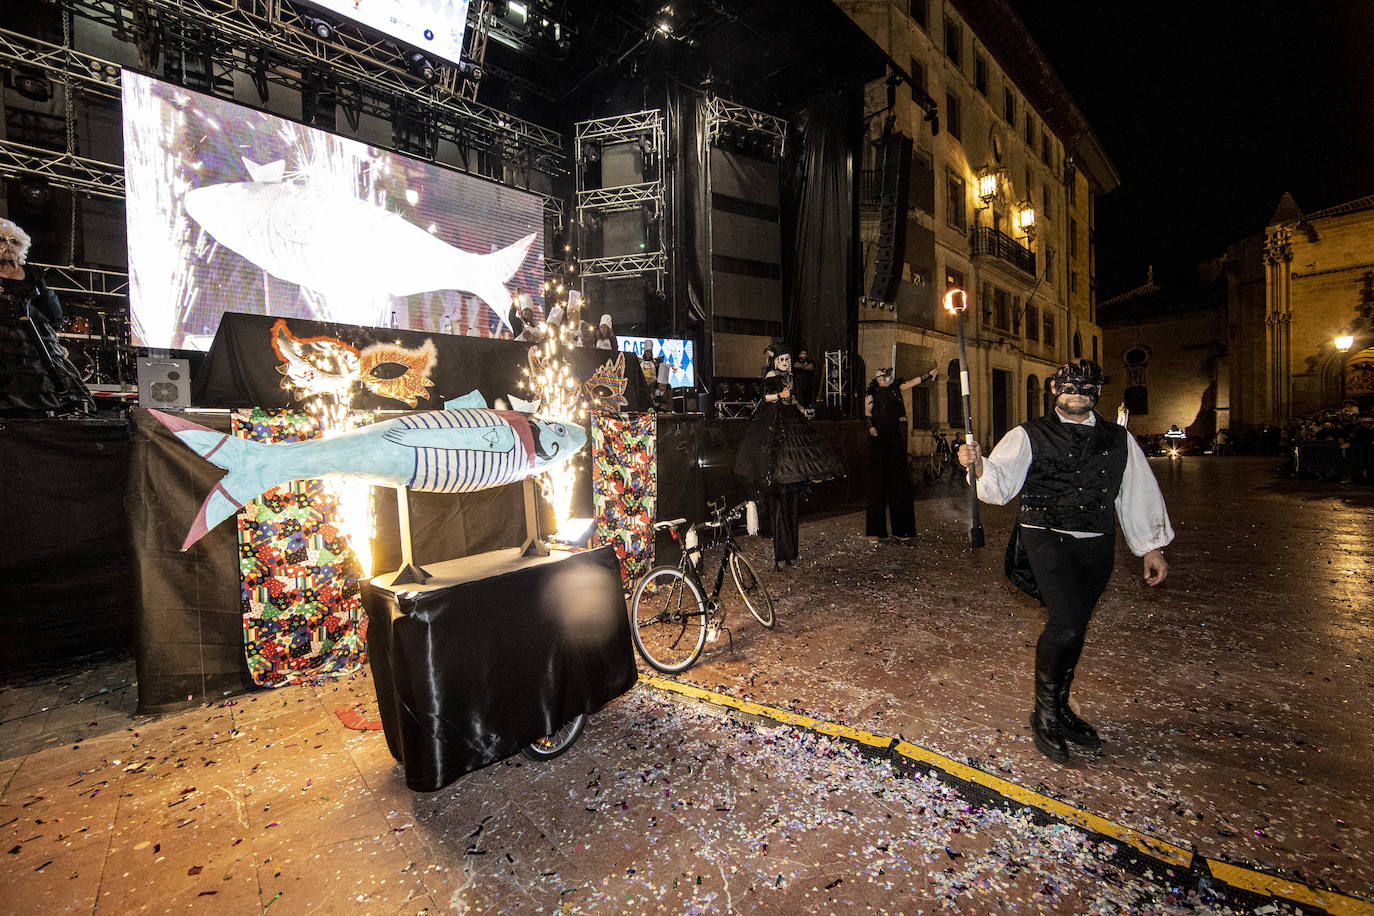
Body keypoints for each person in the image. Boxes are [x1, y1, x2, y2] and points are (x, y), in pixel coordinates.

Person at [957, 358, 1172, 765]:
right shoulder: (1029, 435)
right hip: (1044, 539)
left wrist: (1151, 547)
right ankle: (1046, 713)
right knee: (1067, 622)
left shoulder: (1118, 439)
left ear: (1097, 394)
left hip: (1096, 545)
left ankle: (1061, 707)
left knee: (1075, 627)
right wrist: (978, 464)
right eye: (1071, 388)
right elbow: (998, 486)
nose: (1078, 395)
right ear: (1056, 390)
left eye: (1087, 389)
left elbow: (1136, 491)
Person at [735, 341, 844, 568]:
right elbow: (766, 398)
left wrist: (801, 408)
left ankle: (790, 553)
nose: (784, 363)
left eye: (786, 360)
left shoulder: (789, 377)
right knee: (780, 498)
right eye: (781, 360)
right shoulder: (772, 375)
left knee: (792, 496)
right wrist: (780, 395)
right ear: (775, 362)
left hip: (790, 426)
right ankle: (782, 553)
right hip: (775, 429)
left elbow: (790, 399)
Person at [0, 218, 95, 418]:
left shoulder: (33, 274)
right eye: (2, 240)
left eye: (13, 242)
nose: (8, 246)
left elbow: (53, 313)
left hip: (33, 338)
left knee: (45, 384)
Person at [865, 365, 938, 541]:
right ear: (879, 379)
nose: (888, 379)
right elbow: (867, 412)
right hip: (878, 439)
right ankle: (876, 531)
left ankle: (902, 530)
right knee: (877, 482)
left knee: (899, 481)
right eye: (884, 377)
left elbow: (913, 382)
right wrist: (871, 427)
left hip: (894, 436)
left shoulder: (896, 388)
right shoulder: (871, 393)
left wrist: (929, 374)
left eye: (888, 377)